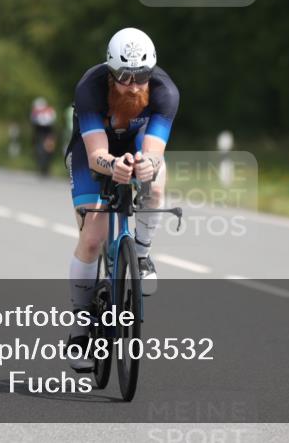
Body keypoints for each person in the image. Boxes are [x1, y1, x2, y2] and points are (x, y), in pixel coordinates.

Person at [64, 27, 178, 371]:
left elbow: (155, 150)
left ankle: (141, 256)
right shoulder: (90, 87)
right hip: (92, 154)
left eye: (141, 75)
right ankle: (81, 326)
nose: (133, 84)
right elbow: (96, 152)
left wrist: (147, 165)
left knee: (156, 185)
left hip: (136, 146)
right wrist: (113, 165)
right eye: (124, 76)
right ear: (110, 71)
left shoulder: (165, 92)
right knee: (93, 236)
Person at [30, 97, 57, 176]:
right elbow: (33, 121)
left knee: (48, 150)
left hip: (48, 132)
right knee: (39, 150)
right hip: (39, 132)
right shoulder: (35, 112)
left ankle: (46, 168)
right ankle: (41, 167)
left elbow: (52, 121)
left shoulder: (50, 111)